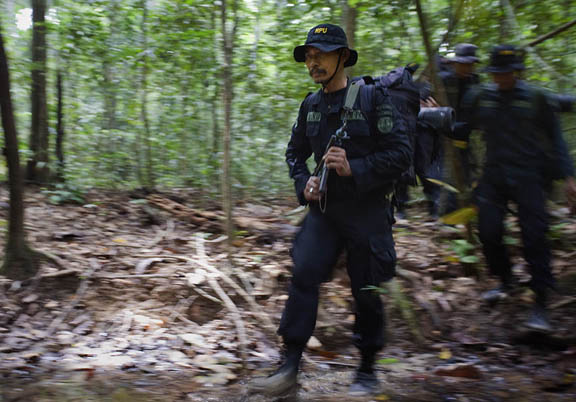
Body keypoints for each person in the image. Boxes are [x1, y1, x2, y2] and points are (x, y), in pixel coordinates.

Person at [248, 23, 411, 397]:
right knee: (304, 273)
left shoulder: (373, 99)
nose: (313, 61)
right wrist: (302, 182)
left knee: (366, 287)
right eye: (308, 55)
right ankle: (289, 365)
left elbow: (401, 154)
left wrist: (357, 167)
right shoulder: (311, 105)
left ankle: (367, 368)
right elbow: (294, 153)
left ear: (342, 57)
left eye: (320, 54)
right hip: (324, 210)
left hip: (368, 212)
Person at [456, 44, 576, 332]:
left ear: (518, 72)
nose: (503, 78)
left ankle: (541, 304)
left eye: (508, 73)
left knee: (535, 237)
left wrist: (570, 178)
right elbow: (463, 128)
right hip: (494, 175)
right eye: (498, 73)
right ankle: (505, 280)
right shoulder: (481, 97)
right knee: (488, 231)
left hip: (530, 175)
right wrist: (434, 118)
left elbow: (556, 140)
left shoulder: (537, 98)